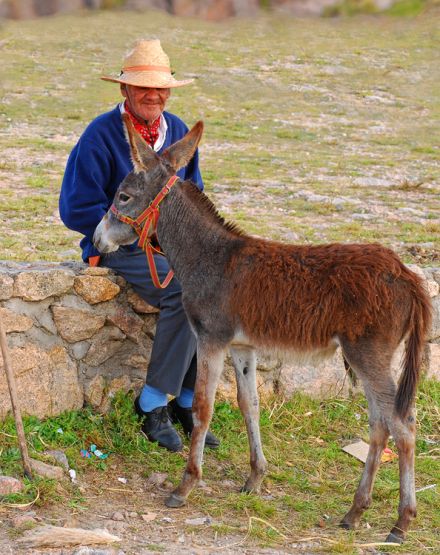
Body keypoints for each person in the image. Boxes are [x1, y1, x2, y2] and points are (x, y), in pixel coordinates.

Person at [59, 39, 219, 452]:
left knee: (213, 288)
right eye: (143, 87)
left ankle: (187, 400)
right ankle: (151, 404)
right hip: (118, 245)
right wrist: (137, 230)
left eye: (160, 88)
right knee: (183, 292)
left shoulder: (178, 132)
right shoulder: (101, 134)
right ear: (124, 90)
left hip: (169, 246)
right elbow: (77, 207)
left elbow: (192, 195)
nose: (153, 95)